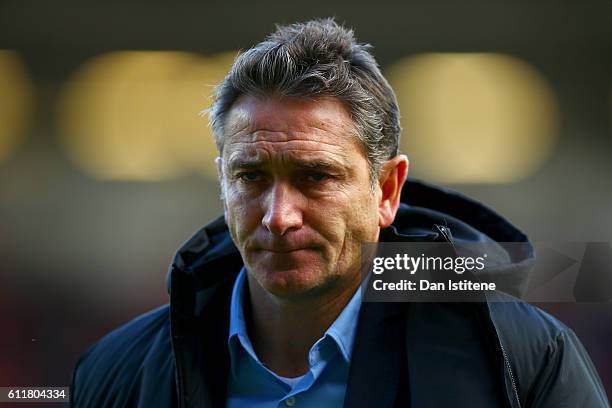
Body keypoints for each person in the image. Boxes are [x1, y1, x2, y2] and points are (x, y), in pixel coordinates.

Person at [70, 19, 609, 407]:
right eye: (251, 177)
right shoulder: (116, 371)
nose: (279, 217)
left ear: (386, 190)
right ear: (222, 181)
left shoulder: (524, 356)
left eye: (316, 177)